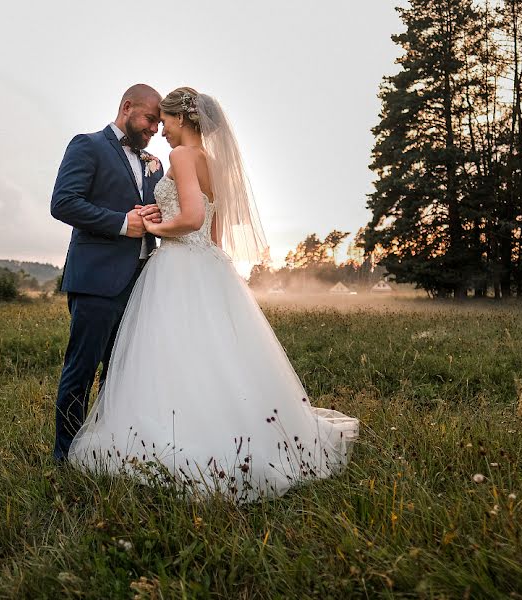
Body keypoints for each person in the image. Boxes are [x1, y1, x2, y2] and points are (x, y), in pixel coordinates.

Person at [67, 87, 359, 501]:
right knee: (210, 356)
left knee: (171, 356)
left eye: (164, 120)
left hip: (176, 265)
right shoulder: (214, 163)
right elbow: (213, 232)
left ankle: (174, 437)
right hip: (205, 265)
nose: (160, 129)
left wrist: (150, 228)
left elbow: (192, 217)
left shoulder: (182, 157)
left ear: (181, 119)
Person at [50, 84, 165, 462]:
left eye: (159, 122)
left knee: (121, 372)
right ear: (127, 107)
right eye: (150, 119)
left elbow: (149, 212)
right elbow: (64, 202)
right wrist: (121, 223)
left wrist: (152, 218)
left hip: (140, 280)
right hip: (98, 279)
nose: (155, 129)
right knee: (82, 369)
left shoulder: (154, 163)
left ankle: (105, 449)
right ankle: (65, 456)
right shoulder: (87, 145)